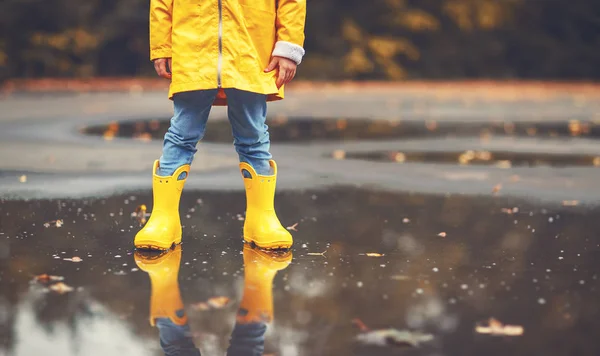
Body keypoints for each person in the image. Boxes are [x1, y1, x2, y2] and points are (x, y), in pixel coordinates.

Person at [134, 0, 307, 251]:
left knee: (254, 135)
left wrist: (288, 48)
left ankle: (262, 219)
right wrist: (162, 45)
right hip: (193, 48)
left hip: (252, 48)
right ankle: (163, 219)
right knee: (181, 134)